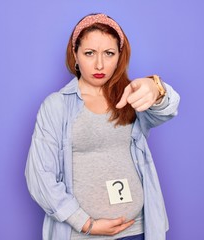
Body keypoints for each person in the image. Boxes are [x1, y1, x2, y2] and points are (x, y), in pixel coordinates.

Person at [25, 13, 180, 240]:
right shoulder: (56, 106)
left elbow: (168, 109)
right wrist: (86, 224)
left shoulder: (131, 96)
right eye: (89, 53)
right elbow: (39, 176)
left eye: (109, 53)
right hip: (83, 235)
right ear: (75, 55)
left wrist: (156, 88)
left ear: (120, 56)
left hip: (136, 230)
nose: (100, 64)